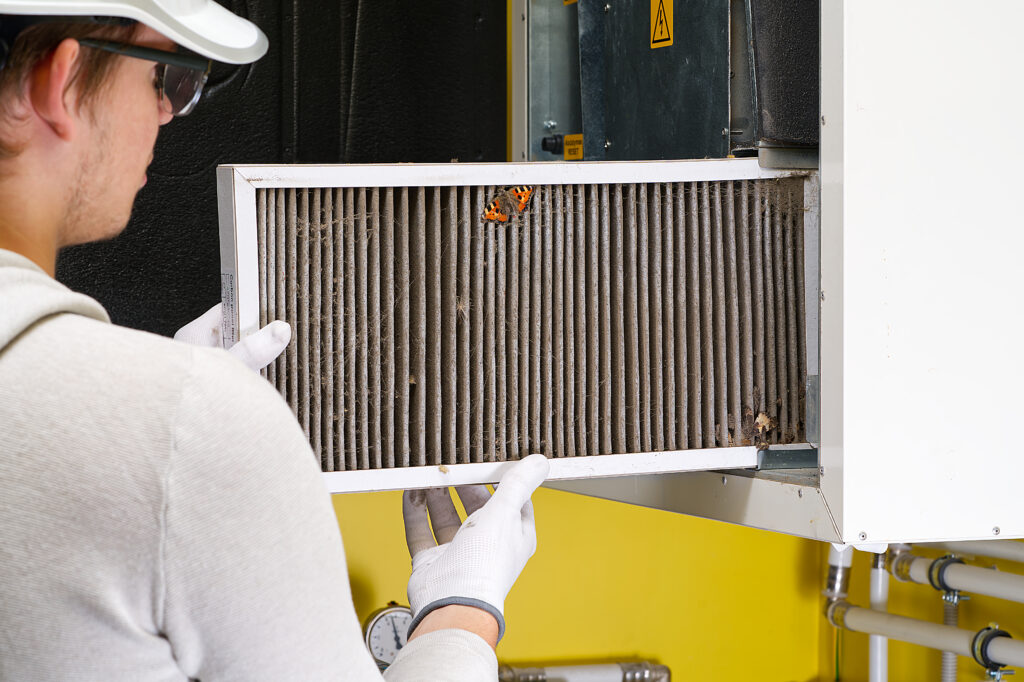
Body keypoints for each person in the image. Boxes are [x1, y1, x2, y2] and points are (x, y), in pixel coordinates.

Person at [0, 2, 549, 679]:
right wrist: (461, 616)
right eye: (165, 79)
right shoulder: (194, 425)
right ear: (63, 79)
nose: (171, 113)